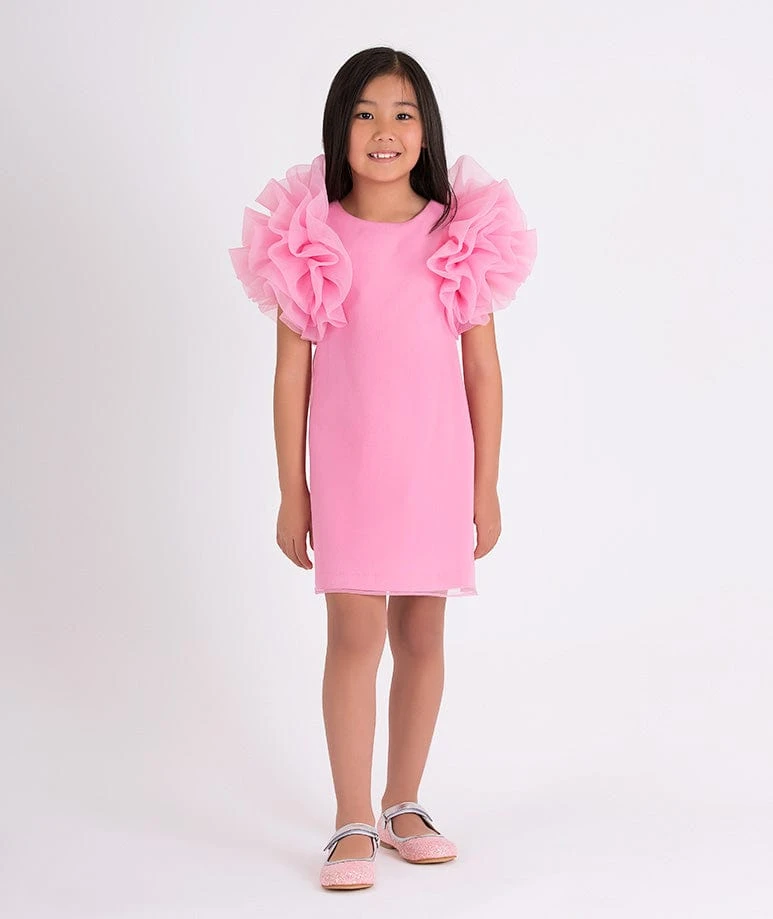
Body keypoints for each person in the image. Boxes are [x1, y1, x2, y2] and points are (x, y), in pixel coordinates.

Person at [228, 46, 537, 891]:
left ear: (426, 130)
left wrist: (484, 484)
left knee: (422, 633)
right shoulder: (310, 235)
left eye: (403, 113)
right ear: (339, 127)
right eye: (364, 113)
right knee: (355, 635)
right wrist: (291, 490)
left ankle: (404, 802)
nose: (384, 130)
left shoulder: (457, 233)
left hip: (434, 464)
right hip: (350, 467)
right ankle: (352, 815)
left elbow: (482, 370)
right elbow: (291, 373)